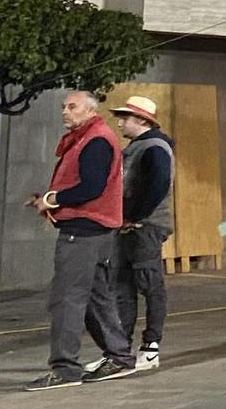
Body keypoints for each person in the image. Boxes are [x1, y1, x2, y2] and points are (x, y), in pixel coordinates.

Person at [25, 90, 134, 390]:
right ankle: (119, 356)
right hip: (94, 231)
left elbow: (92, 187)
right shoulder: (91, 137)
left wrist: (52, 199)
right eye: (64, 107)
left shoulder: (96, 140)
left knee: (66, 300)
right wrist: (50, 200)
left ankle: (65, 368)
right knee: (96, 298)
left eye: (72, 107)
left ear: (89, 111)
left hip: (83, 232)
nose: (65, 112)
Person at [109, 95, 173, 372]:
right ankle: (120, 347)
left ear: (142, 120)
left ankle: (150, 347)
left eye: (126, 117)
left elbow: (158, 185)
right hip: (129, 224)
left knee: (149, 284)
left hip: (143, 227)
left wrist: (134, 216)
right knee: (123, 286)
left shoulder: (155, 147)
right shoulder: (139, 147)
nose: (120, 122)